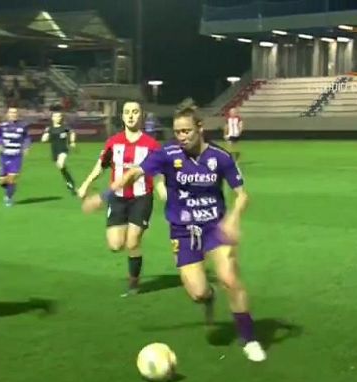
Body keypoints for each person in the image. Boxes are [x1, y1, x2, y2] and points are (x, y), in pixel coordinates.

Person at [82, 102, 266, 362]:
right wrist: (104, 196)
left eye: (187, 131)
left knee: (230, 278)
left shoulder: (220, 157)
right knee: (198, 293)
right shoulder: (167, 154)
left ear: (200, 128)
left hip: (214, 227)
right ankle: (208, 297)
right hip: (182, 231)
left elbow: (242, 195)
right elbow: (133, 173)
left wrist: (233, 219)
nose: (182, 136)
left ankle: (249, 339)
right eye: (178, 132)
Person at [77, 100, 162, 297]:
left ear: (141, 116)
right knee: (115, 245)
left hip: (142, 197)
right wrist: (86, 184)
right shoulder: (113, 142)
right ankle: (132, 253)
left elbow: (159, 172)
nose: (131, 115)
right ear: (122, 116)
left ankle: (134, 284)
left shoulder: (152, 145)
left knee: (132, 242)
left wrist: (162, 189)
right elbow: (101, 165)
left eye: (135, 112)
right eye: (127, 112)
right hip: (117, 198)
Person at [0, 107, 30, 207]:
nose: (13, 114)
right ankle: (10, 187)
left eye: (15, 112)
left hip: (16, 156)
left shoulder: (22, 126)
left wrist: (26, 147)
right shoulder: (2, 126)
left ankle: (8, 197)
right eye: (11, 112)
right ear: (7, 114)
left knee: (12, 177)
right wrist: (0, 144)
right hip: (4, 155)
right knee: (2, 181)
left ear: (17, 114)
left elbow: (26, 137)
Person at [40, 108, 77, 196]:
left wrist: (72, 142)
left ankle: (70, 182)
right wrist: (44, 138)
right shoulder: (49, 128)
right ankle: (69, 181)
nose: (57, 118)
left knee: (60, 164)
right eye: (55, 116)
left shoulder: (64, 127)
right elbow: (44, 138)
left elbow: (72, 133)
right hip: (54, 151)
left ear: (61, 118)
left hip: (63, 150)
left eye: (59, 116)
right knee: (61, 167)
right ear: (52, 118)